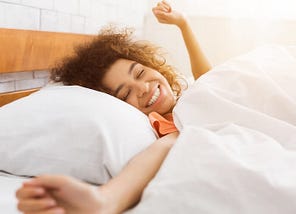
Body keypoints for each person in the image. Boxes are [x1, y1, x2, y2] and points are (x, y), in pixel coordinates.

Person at [15, 1, 212, 213]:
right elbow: (163, 149)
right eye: (126, 94)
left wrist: (183, 24)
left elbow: (210, 80)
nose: (143, 88)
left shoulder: (190, 93)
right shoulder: (162, 126)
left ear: (152, 65)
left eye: (139, 73)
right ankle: (105, 200)